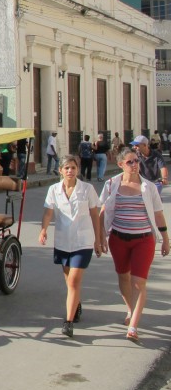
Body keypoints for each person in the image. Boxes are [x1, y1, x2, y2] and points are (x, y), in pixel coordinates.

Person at [98, 147, 169, 342]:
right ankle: (131, 310)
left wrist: (165, 239)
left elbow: (158, 214)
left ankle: (133, 326)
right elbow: (103, 211)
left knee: (139, 282)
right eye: (130, 162)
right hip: (119, 239)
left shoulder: (149, 187)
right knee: (123, 277)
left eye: (136, 161)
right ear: (120, 164)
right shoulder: (111, 184)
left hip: (144, 239)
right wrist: (101, 236)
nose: (135, 164)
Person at [39, 155, 102, 338]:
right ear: (60, 170)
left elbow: (95, 216)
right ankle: (76, 303)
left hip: (83, 241)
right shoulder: (54, 190)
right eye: (66, 168)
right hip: (63, 240)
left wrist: (98, 240)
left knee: (74, 280)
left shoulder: (87, 189)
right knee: (68, 280)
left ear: (78, 170)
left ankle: (68, 321)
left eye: (73, 168)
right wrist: (43, 230)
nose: (70, 171)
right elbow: (48, 212)